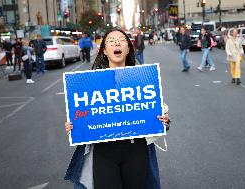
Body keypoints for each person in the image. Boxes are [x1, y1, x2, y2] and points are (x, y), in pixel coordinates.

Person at [64, 28, 170, 189]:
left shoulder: (143, 77)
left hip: (136, 150)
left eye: (121, 40)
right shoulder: (90, 83)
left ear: (128, 48)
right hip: (103, 152)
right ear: (105, 51)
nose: (116, 43)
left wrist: (164, 120)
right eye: (111, 41)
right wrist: (74, 125)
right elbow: (82, 116)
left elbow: (159, 115)